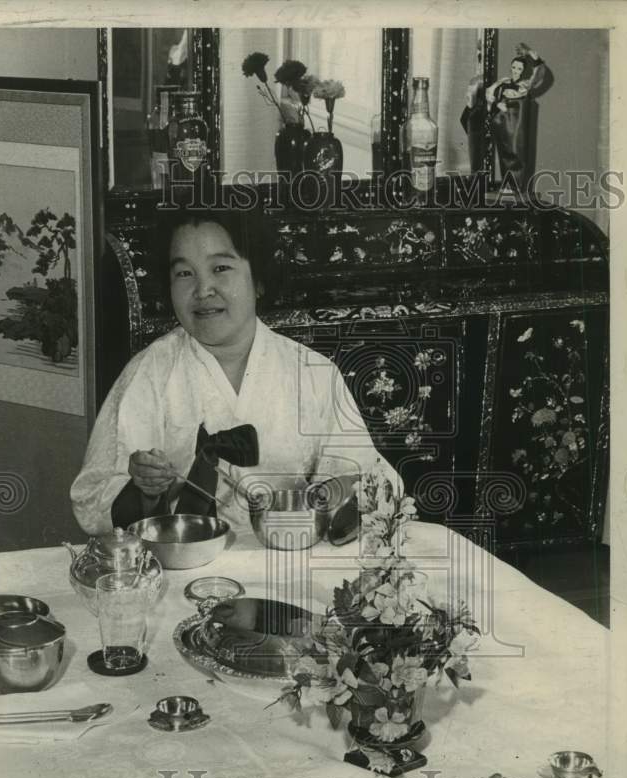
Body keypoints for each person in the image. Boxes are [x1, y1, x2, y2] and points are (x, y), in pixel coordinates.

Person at [70, 208, 402, 537]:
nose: (203, 290)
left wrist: (331, 494)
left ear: (258, 280)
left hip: (285, 554)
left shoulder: (311, 374)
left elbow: (373, 483)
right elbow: (90, 502)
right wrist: (144, 488)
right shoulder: (149, 372)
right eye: (184, 273)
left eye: (220, 268)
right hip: (180, 558)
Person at [486, 42, 547, 189]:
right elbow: (489, 94)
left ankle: (516, 187)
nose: (516, 71)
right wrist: (496, 104)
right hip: (501, 120)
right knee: (504, 152)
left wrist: (530, 53)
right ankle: (508, 185)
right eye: (514, 67)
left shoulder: (524, 85)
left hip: (516, 121)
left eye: (519, 68)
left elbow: (539, 73)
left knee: (516, 151)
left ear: (524, 70)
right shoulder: (503, 82)